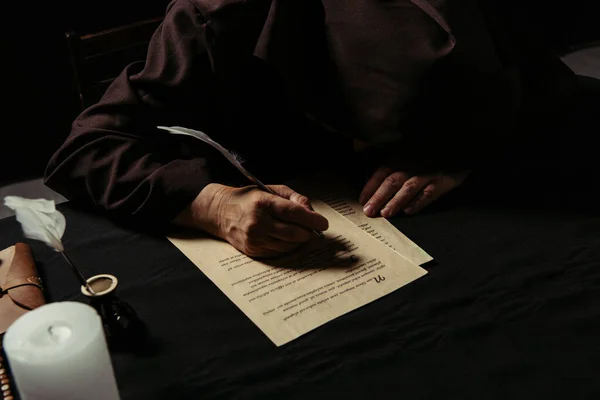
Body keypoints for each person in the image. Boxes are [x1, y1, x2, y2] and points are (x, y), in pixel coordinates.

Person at [45, 0, 589, 257]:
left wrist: (461, 145)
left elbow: (551, 94)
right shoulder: (216, 18)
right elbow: (85, 150)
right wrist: (213, 204)